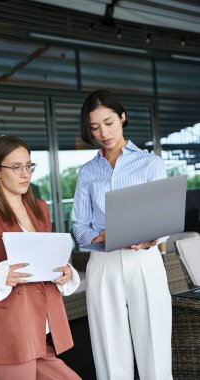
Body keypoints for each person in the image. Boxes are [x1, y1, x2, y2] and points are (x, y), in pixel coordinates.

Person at [0, 135, 81, 380]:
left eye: (28, 165)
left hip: (40, 325)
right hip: (8, 331)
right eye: (16, 167)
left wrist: (63, 271)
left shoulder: (39, 208)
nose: (25, 174)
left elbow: (47, 255)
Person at [72, 89, 173, 380]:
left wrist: (153, 237)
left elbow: (163, 219)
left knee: (154, 344)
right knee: (109, 349)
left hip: (144, 260)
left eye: (109, 122)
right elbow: (78, 227)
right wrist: (99, 235)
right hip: (104, 264)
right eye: (94, 127)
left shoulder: (151, 163)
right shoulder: (87, 172)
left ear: (123, 117)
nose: (103, 132)